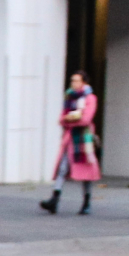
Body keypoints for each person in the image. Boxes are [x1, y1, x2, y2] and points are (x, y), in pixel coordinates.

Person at [41, 71, 100, 214]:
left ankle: (86, 202)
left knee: (86, 172)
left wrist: (70, 120)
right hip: (70, 139)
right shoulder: (69, 97)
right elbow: (62, 119)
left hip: (83, 139)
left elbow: (86, 119)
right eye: (72, 80)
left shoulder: (90, 98)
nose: (73, 83)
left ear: (84, 82)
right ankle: (54, 199)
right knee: (62, 167)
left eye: (77, 81)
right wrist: (69, 119)